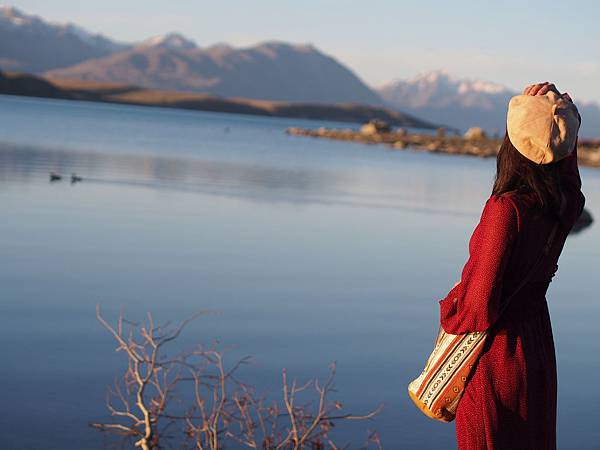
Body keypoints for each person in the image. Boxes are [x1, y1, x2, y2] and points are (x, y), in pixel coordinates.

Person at [438, 82, 585, 450]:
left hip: (496, 358)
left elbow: (477, 308)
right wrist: (560, 118)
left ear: (512, 142)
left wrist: (448, 310)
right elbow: (564, 165)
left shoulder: (506, 210)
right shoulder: (565, 203)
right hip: (535, 345)